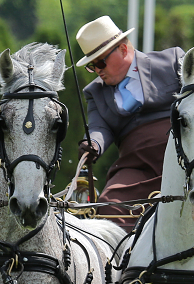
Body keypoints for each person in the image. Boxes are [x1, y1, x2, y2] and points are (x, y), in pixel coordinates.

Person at [76, 16, 184, 223]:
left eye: (100, 62)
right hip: (136, 166)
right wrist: (93, 143)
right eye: (91, 66)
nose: (98, 70)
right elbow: (99, 126)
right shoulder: (94, 92)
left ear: (123, 50)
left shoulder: (173, 62)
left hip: (183, 157)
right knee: (109, 207)